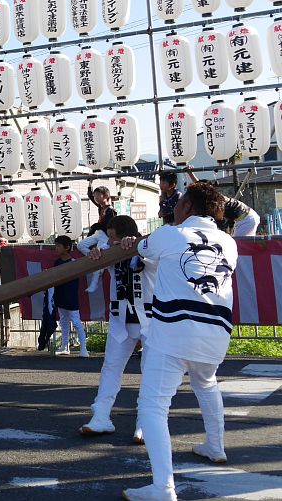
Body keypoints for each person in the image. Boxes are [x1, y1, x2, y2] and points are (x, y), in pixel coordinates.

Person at [118, 181, 237, 501]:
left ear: (188, 207)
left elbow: (139, 248)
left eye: (179, 203)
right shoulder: (229, 243)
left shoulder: (169, 234)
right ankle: (215, 446)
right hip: (216, 334)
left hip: (173, 331)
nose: (175, 207)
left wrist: (132, 241)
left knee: (153, 407)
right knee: (206, 384)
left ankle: (163, 487)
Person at [81, 215, 151, 444]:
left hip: (151, 320)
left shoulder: (148, 248)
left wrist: (136, 244)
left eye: (112, 238)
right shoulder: (110, 251)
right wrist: (95, 253)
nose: (109, 242)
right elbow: (89, 252)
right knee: (111, 366)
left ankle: (146, 422)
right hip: (120, 319)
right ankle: (101, 416)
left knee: (150, 371)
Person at [50, 235, 87, 357]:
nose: (56, 248)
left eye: (58, 246)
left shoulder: (74, 262)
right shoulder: (57, 262)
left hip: (71, 296)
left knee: (76, 322)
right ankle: (64, 347)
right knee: (63, 322)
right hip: (60, 295)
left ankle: (84, 348)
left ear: (67, 247)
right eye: (56, 246)